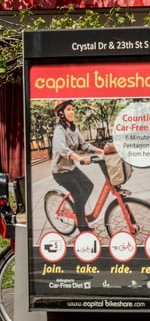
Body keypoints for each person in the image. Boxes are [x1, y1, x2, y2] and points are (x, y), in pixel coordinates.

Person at [50, 99, 104, 233]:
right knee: (79, 194)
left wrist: (102, 151)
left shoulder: (73, 129)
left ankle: (77, 209)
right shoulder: (59, 131)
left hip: (71, 168)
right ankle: (82, 226)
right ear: (61, 113)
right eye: (68, 109)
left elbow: (84, 145)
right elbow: (63, 150)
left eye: (72, 109)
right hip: (60, 172)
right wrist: (79, 158)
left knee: (89, 186)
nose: (72, 111)